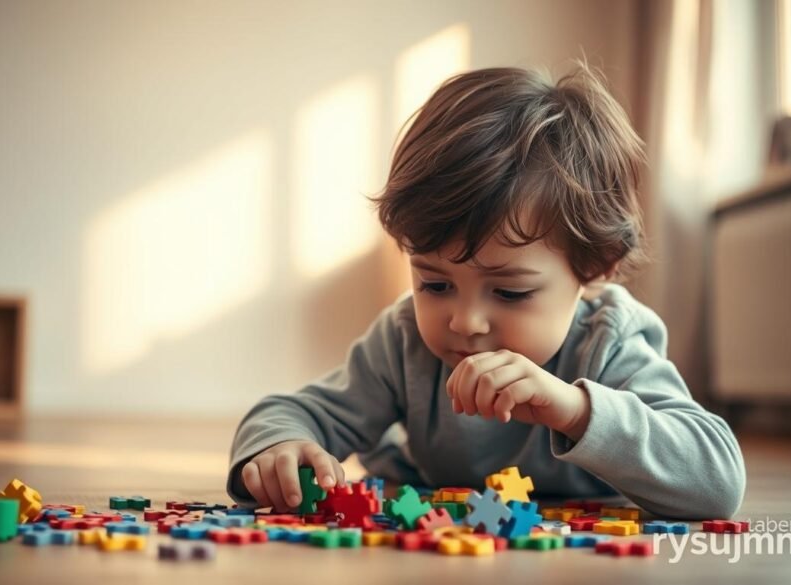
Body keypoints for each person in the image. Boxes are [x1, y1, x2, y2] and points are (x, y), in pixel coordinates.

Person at [226, 61, 746, 519]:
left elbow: (717, 481)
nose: (464, 321)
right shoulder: (405, 339)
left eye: (510, 293)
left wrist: (572, 409)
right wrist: (281, 447)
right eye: (434, 283)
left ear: (595, 268)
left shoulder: (608, 341)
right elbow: (291, 412)